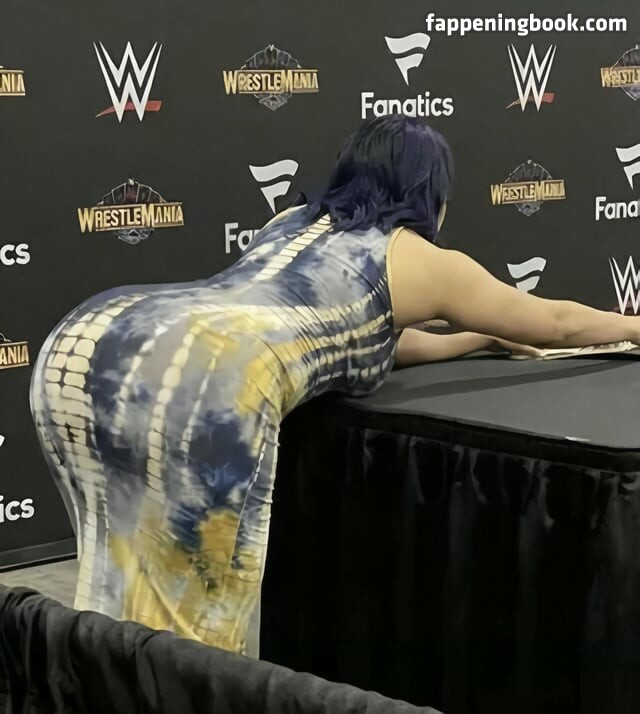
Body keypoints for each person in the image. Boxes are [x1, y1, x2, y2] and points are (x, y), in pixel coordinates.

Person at [30, 115, 640, 658]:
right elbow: (556, 323)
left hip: (92, 338)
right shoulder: (422, 258)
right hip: (207, 379)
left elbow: (343, 332)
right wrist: (633, 326)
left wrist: (472, 339)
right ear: (431, 191)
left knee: (113, 573)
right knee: (199, 630)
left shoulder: (289, 222)